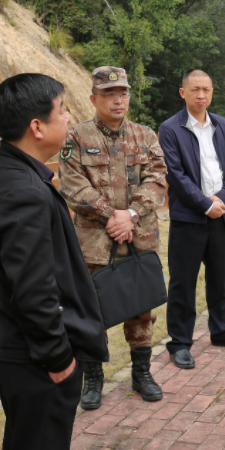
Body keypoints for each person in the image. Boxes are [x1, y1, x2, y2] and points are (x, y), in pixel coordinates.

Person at [0, 74, 108, 450]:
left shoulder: (7, 172)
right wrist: (58, 358)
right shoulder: (22, 191)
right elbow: (34, 290)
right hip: (35, 358)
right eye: (61, 110)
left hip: (21, 350)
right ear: (37, 126)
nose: (68, 118)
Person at [59, 66, 167, 408]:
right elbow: (73, 186)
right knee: (93, 310)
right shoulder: (76, 137)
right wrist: (112, 215)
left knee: (141, 309)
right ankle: (93, 378)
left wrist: (130, 215)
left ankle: (142, 373)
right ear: (94, 99)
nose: (118, 99)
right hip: (94, 244)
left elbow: (157, 180)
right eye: (109, 94)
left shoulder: (145, 136)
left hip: (138, 239)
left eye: (123, 93)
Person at [159, 68, 225, 369]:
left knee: (218, 277)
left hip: (220, 216)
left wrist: (222, 199)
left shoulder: (222, 125)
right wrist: (203, 204)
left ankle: (222, 331)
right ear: (183, 92)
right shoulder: (170, 129)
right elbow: (175, 174)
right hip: (189, 219)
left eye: (207, 89)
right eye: (195, 89)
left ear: (212, 92)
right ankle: (179, 343)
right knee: (183, 282)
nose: (201, 95)